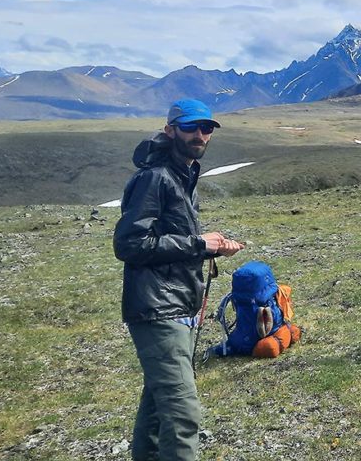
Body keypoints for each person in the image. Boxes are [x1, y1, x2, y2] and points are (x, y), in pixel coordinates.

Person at [114, 98, 245, 461]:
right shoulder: (154, 178)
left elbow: (170, 241)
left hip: (176, 304)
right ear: (170, 129)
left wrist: (208, 248)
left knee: (158, 408)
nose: (200, 134)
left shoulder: (182, 175)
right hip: (158, 309)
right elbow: (129, 244)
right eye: (190, 126)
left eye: (206, 128)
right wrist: (198, 243)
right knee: (183, 414)